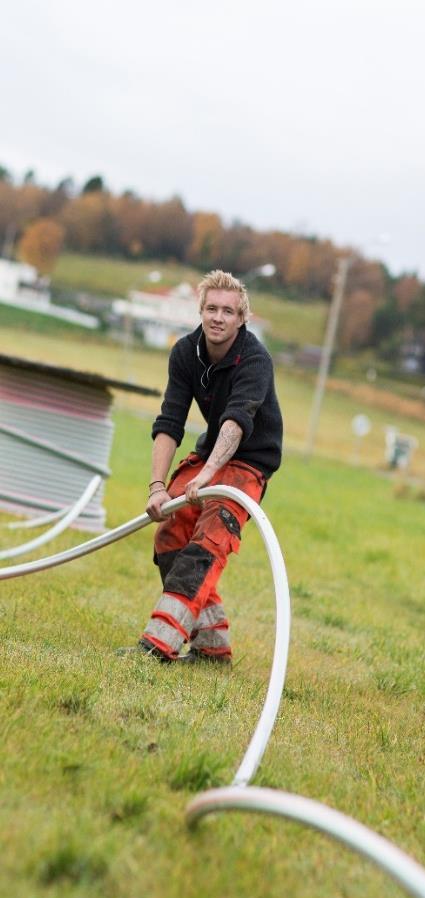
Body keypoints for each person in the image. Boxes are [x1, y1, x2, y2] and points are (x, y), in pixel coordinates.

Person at [132, 269, 283, 665]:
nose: (218, 317)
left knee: (207, 544)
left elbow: (236, 422)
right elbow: (169, 422)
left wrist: (206, 476)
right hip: (208, 456)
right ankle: (212, 650)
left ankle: (156, 646)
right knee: (170, 535)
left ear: (241, 319)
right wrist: (157, 487)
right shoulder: (184, 353)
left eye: (228, 311)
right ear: (200, 312)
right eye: (211, 308)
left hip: (248, 462)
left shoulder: (255, 359)